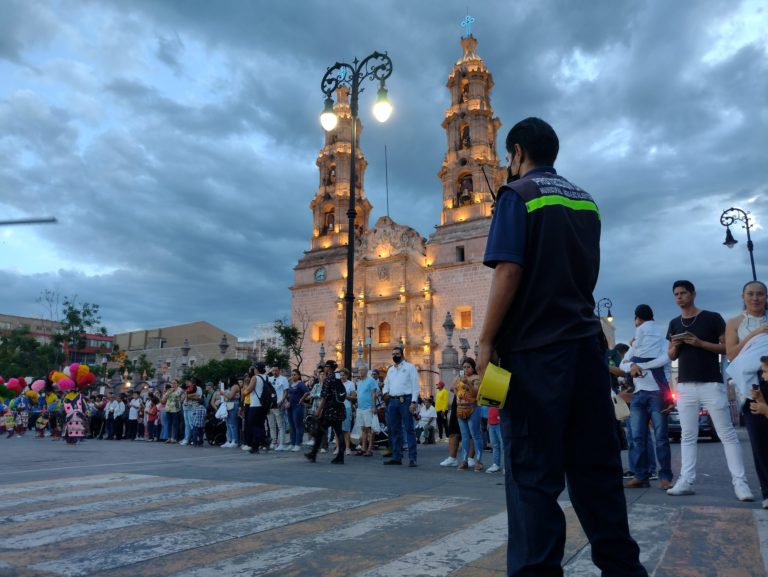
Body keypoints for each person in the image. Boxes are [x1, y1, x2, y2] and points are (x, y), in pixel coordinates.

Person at [477, 117, 647, 576]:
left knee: (533, 479)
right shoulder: (585, 201)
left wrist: (487, 339)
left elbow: (508, 270)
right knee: (598, 477)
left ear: (515, 153)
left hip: (535, 357)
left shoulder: (517, 196)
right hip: (586, 355)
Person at [656, 279, 752, 501]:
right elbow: (670, 355)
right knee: (687, 436)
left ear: (693, 294)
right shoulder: (674, 323)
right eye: (676, 294)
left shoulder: (711, 318)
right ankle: (686, 480)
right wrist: (677, 346)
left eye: (683, 293)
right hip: (685, 385)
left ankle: (740, 483)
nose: (679, 297)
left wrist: (699, 343)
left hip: (711, 382)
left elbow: (727, 348)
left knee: (726, 433)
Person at [725, 280, 768, 508]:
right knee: (760, 440)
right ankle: (767, 491)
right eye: (750, 294)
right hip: (751, 383)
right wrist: (756, 334)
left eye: (760, 294)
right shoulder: (734, 323)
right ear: (743, 297)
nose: (755, 298)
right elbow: (731, 354)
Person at [621, 305, 673, 490]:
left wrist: (638, 364)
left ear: (637, 319)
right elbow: (623, 363)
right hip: (640, 394)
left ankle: (663, 476)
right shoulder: (640, 343)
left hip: (656, 393)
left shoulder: (660, 341)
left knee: (658, 437)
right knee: (638, 437)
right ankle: (642, 476)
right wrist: (633, 365)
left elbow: (666, 359)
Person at [382, 345, 420, 467]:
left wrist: (414, 402)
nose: (395, 356)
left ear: (402, 355)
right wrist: (385, 393)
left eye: (397, 354)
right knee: (394, 430)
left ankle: (412, 457)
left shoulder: (410, 367)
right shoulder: (390, 370)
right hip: (392, 401)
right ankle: (396, 456)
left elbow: (415, 386)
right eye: (393, 354)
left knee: (409, 429)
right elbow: (386, 384)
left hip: (406, 400)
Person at [305, 360, 346, 464]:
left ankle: (313, 454)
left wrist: (318, 411)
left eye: (325, 367)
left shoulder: (329, 379)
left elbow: (324, 397)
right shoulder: (337, 377)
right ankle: (340, 456)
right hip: (339, 408)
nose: (324, 369)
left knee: (319, 430)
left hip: (330, 410)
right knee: (339, 432)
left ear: (328, 368)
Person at [454, 357, 484, 471]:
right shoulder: (460, 378)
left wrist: (467, 384)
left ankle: (479, 462)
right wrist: (458, 393)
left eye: (468, 367)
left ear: (473, 367)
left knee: (476, 435)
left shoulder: (476, 378)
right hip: (460, 409)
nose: (466, 369)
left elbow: (476, 393)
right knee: (465, 436)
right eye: (464, 367)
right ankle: (464, 460)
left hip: (473, 408)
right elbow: (452, 388)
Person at [242, 363, 269, 454]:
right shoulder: (266, 377)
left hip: (255, 405)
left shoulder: (255, 378)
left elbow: (249, 389)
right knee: (260, 425)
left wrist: (244, 392)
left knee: (252, 424)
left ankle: (264, 439)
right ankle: (255, 446)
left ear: (256, 369)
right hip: (264, 405)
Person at [354, 367, 377, 456]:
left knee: (369, 429)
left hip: (368, 408)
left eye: (362, 370)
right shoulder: (359, 382)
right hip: (360, 408)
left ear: (366, 371)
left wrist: (374, 406)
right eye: (359, 370)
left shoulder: (371, 380)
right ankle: (363, 448)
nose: (360, 371)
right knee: (363, 429)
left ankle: (370, 449)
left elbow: (374, 393)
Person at [267, 366, 289, 451]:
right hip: (270, 405)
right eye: (273, 371)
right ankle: (274, 442)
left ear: (279, 370)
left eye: (276, 370)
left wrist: (282, 401)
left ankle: (282, 443)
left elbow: (286, 391)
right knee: (271, 425)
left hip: (278, 404)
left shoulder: (283, 379)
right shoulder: (269, 379)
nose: (274, 372)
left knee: (280, 425)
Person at [286, 369, 309, 452]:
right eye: (292, 374)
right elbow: (288, 393)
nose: (293, 376)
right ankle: (292, 443)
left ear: (299, 376)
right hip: (290, 406)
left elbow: (307, 392)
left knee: (298, 425)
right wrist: (287, 401)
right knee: (291, 426)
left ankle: (297, 444)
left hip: (297, 406)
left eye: (295, 374)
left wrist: (301, 400)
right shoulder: (291, 384)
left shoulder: (300, 384)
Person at [218, 377, 241, 448]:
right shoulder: (231, 387)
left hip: (233, 405)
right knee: (228, 424)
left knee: (232, 424)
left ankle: (235, 440)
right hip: (229, 405)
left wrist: (223, 393)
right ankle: (229, 440)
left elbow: (230, 397)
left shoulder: (235, 386)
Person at [180, 378, 203, 446]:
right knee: (187, 424)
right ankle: (187, 439)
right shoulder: (187, 388)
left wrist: (188, 396)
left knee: (192, 424)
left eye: (189, 381)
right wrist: (186, 395)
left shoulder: (198, 388)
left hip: (193, 407)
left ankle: (195, 439)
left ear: (193, 382)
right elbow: (182, 398)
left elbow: (198, 397)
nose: (187, 382)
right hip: (185, 407)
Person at [339, 368, 356, 456]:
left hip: (347, 408)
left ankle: (347, 448)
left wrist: (345, 396)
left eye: (344, 375)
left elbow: (354, 397)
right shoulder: (336, 384)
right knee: (337, 429)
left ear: (347, 375)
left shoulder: (351, 384)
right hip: (337, 408)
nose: (342, 376)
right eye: (341, 375)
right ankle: (338, 448)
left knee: (346, 429)